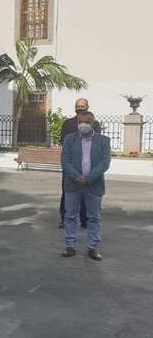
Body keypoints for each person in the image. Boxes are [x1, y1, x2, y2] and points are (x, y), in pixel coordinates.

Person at [61, 111, 111, 261]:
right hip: (73, 184)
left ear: (93, 123)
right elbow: (65, 161)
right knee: (70, 216)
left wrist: (88, 178)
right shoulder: (69, 139)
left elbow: (105, 163)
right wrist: (77, 177)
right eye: (80, 122)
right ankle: (70, 246)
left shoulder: (104, 141)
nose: (83, 125)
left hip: (93, 185)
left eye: (86, 122)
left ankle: (93, 248)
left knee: (94, 217)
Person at [59, 98, 102, 229]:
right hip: (71, 166)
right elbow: (64, 143)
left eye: (83, 106)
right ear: (74, 107)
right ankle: (65, 220)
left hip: (89, 166)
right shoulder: (68, 123)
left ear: (87, 107)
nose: (80, 108)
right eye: (78, 106)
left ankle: (85, 220)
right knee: (68, 193)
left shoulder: (95, 124)